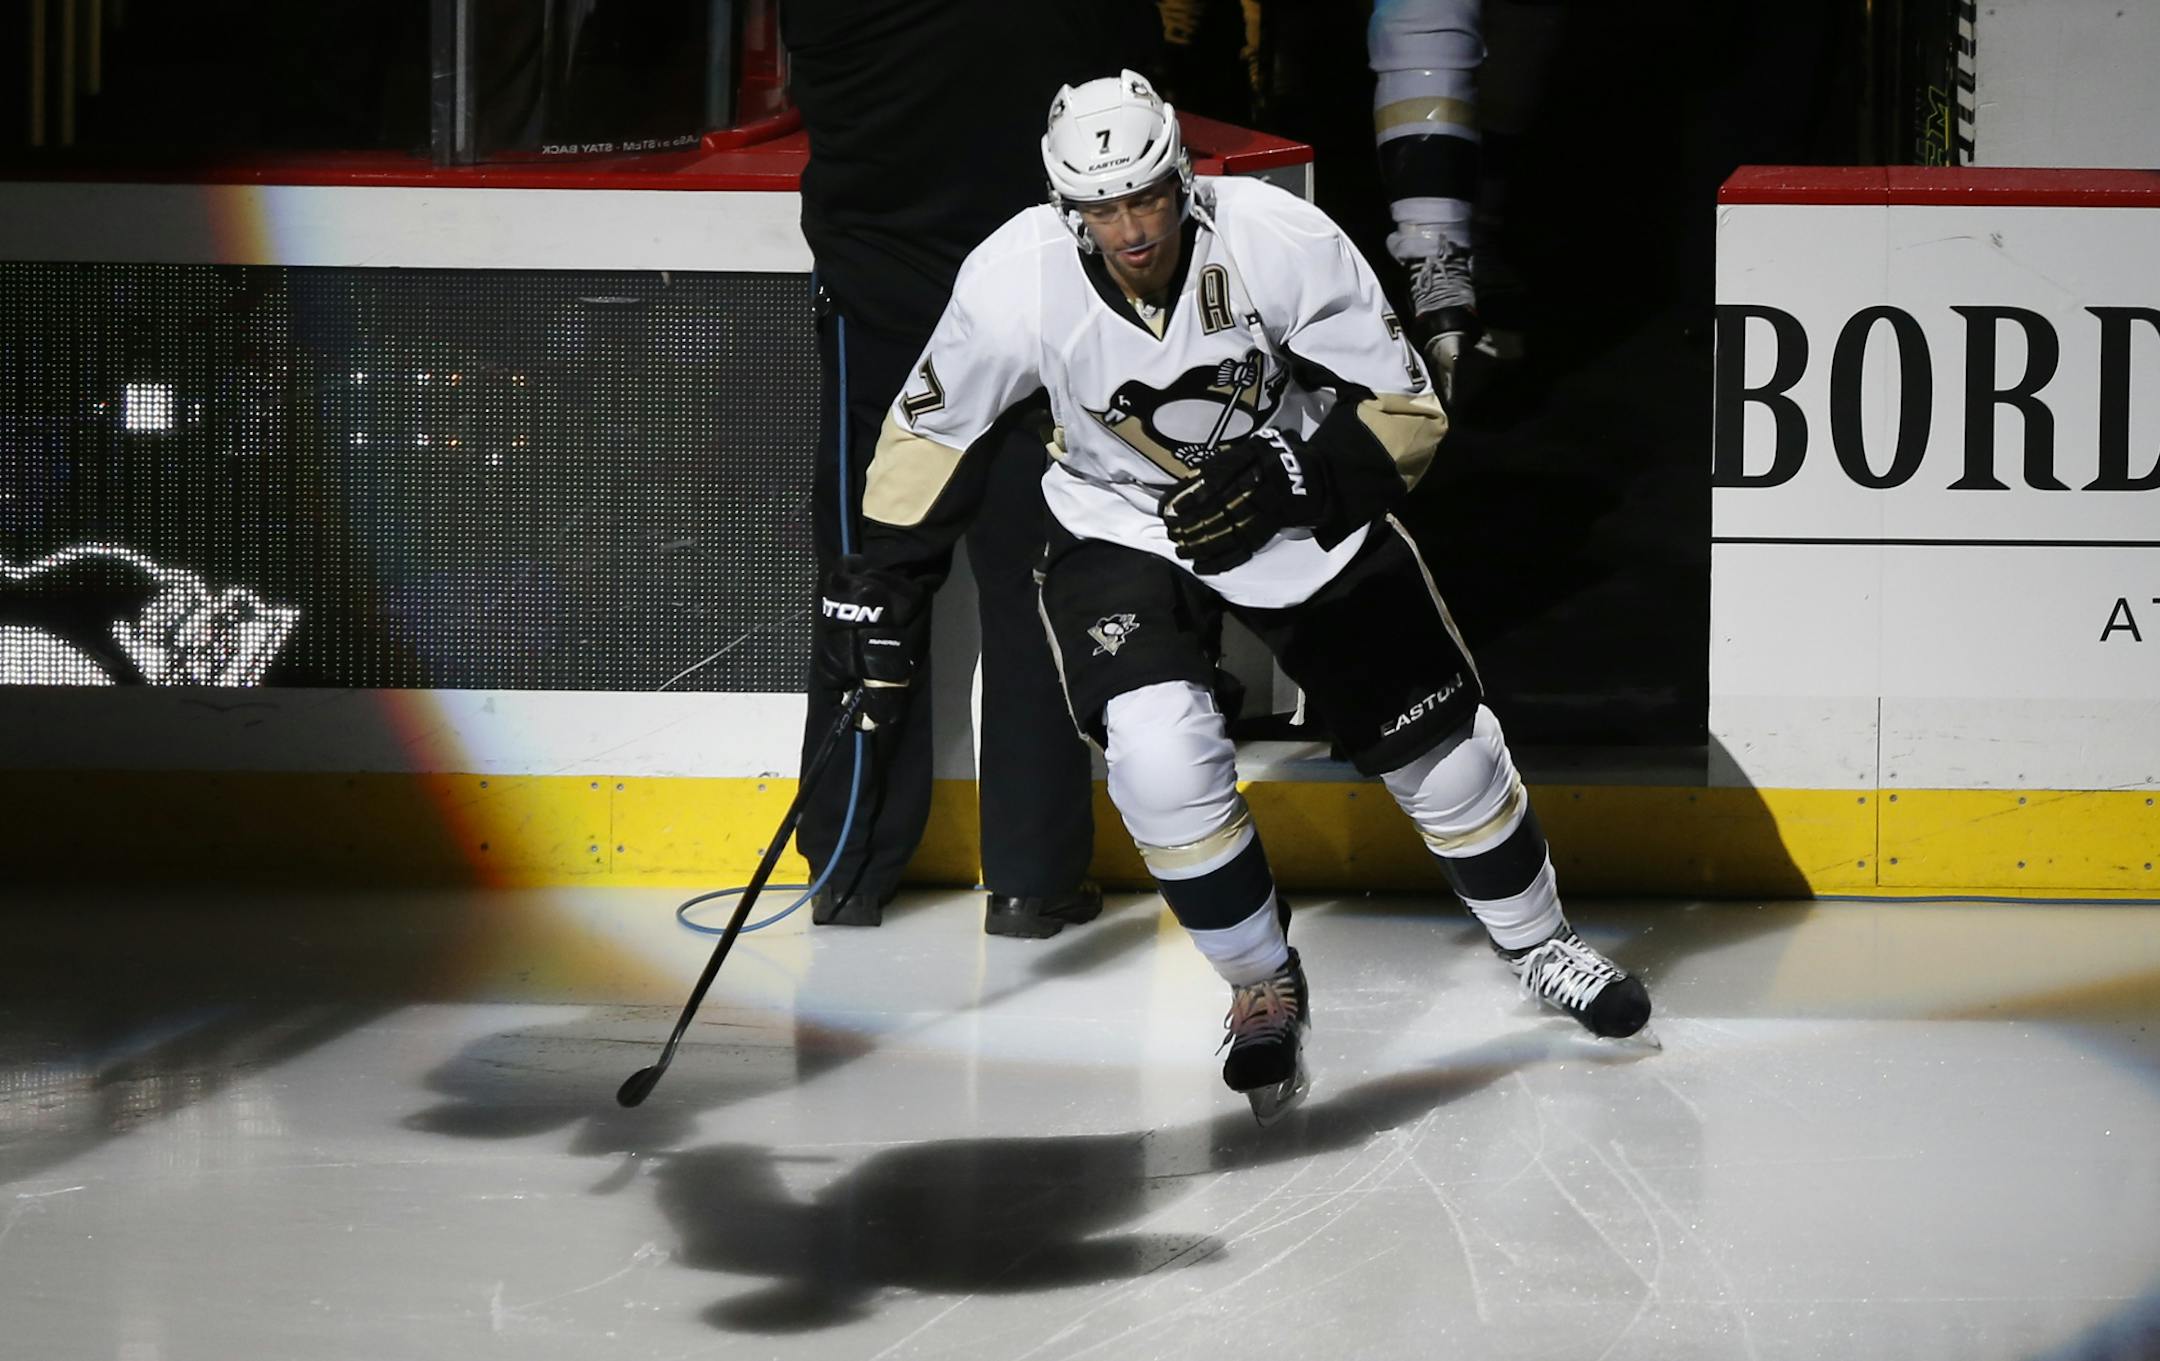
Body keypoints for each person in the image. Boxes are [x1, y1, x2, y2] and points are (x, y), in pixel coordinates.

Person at [815, 70, 1652, 1124]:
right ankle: (1261, 982)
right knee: (1160, 761)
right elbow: (928, 436)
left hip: (1291, 506)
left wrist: (1300, 480)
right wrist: (881, 585)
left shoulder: (1279, 239)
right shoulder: (1011, 278)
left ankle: (1540, 944)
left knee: (1449, 753)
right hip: (1119, 523)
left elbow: (1407, 410)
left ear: (1183, 177)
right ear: (1064, 206)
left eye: (1147, 197)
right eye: (1101, 207)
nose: (1130, 231)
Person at [780, 2, 1157, 935]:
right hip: (1030, 302)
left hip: (880, 306)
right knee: (1036, 584)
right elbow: (1131, 80)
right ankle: (1033, 878)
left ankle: (848, 863)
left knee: (872, 579)